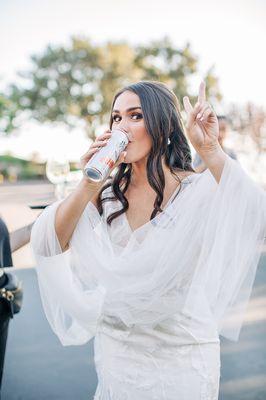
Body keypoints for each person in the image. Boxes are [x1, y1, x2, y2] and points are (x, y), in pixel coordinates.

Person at [30, 81, 266, 400]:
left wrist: (210, 150)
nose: (122, 127)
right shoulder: (108, 196)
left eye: (135, 116)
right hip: (119, 354)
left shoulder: (197, 190)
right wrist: (88, 184)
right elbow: (48, 245)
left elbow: (257, 218)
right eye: (116, 118)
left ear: (163, 126)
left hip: (181, 356)